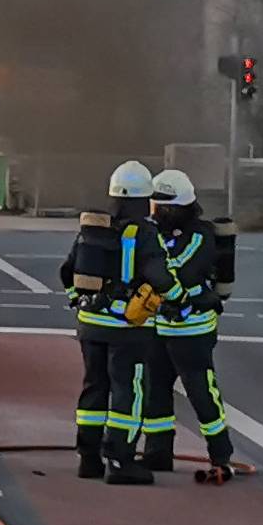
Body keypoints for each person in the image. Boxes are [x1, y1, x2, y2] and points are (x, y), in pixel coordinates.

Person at [59, 160, 185, 484]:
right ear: (142, 199)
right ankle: (120, 461)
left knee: (93, 387)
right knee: (127, 391)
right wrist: (179, 297)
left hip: (89, 324)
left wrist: (78, 300)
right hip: (128, 329)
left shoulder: (94, 228)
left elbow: (67, 271)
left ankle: (88, 460)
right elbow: (160, 276)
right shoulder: (144, 233)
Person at [140, 168, 236, 476]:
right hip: (157, 325)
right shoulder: (155, 232)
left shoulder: (199, 236)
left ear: (179, 206)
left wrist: (151, 268)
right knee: (154, 389)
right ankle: (157, 452)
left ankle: (220, 454)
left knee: (201, 392)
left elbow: (179, 270)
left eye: (162, 206)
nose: (156, 212)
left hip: (191, 329)